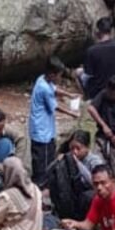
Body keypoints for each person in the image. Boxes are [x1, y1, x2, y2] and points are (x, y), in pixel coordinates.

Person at [29, 56, 78, 186]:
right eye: (58, 76)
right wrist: (72, 113)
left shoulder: (42, 79)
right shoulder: (43, 88)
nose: (59, 79)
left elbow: (54, 89)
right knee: (43, 163)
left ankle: (46, 183)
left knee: (49, 157)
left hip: (44, 129)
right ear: (51, 74)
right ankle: (40, 186)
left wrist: (69, 94)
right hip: (42, 131)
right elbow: (55, 106)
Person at [77, 17, 115, 99]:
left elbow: (88, 73)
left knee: (78, 72)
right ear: (111, 31)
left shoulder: (91, 50)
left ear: (98, 32)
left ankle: (86, 96)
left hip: (97, 89)